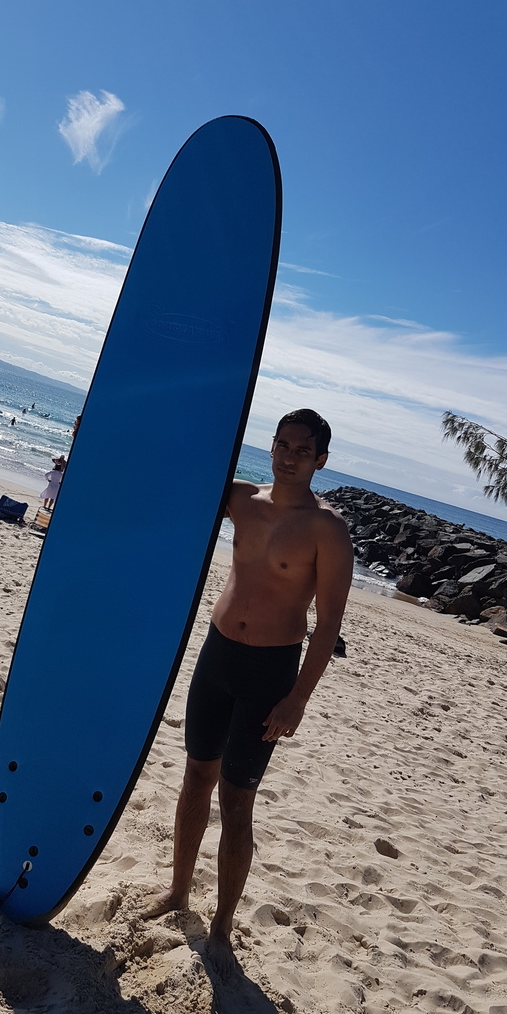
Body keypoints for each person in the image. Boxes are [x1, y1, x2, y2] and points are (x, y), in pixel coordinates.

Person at [142, 409, 354, 977]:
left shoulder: (327, 529)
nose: (287, 456)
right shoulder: (239, 497)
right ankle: (178, 893)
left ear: (321, 461)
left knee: (237, 801)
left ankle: (222, 927)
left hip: (269, 673)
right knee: (195, 777)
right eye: (281, 444)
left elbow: (329, 625)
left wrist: (298, 700)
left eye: (302, 450)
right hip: (217, 655)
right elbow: (174, 499)